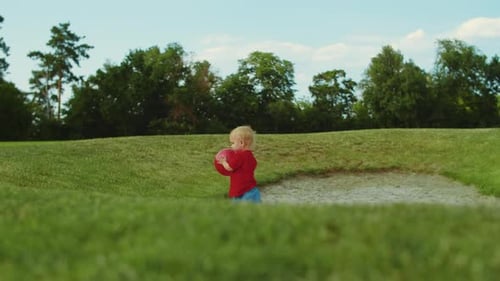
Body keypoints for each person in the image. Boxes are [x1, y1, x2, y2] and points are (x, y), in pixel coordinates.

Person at [216, 125, 261, 203]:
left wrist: (223, 162)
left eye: (233, 143)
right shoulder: (250, 155)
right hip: (252, 189)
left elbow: (229, 167)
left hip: (241, 191)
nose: (231, 146)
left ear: (241, 143)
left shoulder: (239, 156)